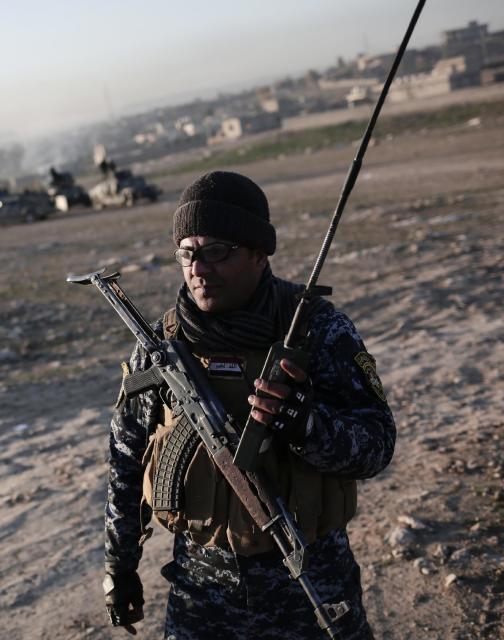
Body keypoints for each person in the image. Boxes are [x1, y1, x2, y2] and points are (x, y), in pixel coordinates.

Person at [103, 171, 396, 639]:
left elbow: (377, 446)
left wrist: (308, 429)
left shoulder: (317, 331)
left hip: (309, 578)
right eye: (187, 253)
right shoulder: (162, 347)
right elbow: (126, 458)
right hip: (202, 588)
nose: (199, 268)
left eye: (218, 251)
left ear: (260, 254)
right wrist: (119, 565)